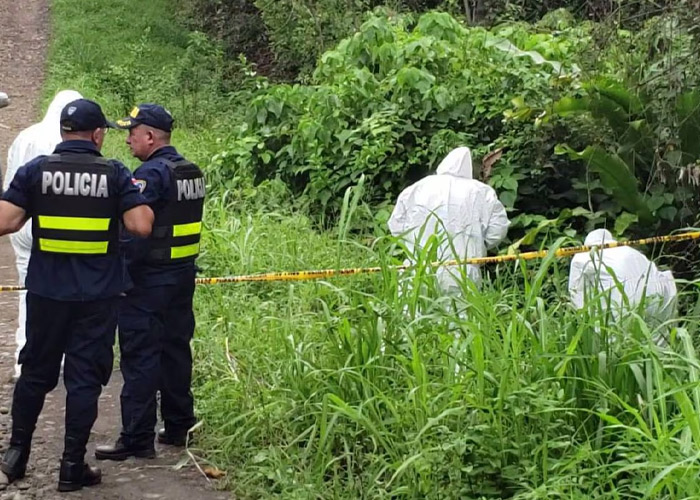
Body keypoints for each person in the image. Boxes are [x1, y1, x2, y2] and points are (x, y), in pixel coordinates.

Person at [0, 98, 154, 492]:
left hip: (47, 293)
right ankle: (71, 467)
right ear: (98, 133)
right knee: (84, 380)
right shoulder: (114, 173)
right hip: (96, 298)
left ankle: (16, 456)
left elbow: (7, 221)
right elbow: (140, 226)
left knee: (35, 372)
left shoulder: (37, 171)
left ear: (64, 132)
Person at [95, 104, 205, 461]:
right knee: (175, 350)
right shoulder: (190, 171)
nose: (127, 139)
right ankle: (178, 425)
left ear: (150, 137)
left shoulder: (150, 175)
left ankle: (137, 437)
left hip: (149, 281)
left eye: (132, 132)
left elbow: (135, 231)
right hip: (182, 276)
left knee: (141, 355)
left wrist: (119, 276)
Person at [3, 89, 83, 379]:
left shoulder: (24, 136)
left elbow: (10, 178)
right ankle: (58, 357)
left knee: (27, 288)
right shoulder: (61, 142)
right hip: (51, 226)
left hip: (19, 221)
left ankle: (23, 357)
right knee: (59, 289)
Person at [388, 146, 510, 295]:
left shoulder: (418, 188)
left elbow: (396, 225)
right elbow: (499, 228)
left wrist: (412, 243)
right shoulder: (481, 191)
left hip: (419, 266)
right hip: (463, 267)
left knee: (417, 313)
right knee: (460, 314)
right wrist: (479, 245)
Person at [568, 229, 677, 344]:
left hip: (625, 297)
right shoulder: (629, 250)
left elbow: (576, 292)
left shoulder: (582, 256)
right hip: (660, 293)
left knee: (618, 344)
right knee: (656, 343)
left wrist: (583, 322)